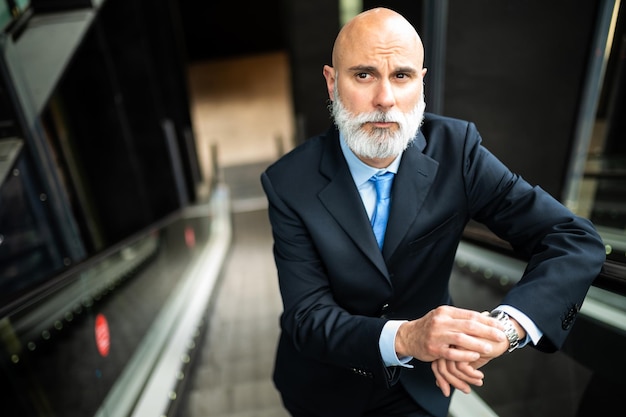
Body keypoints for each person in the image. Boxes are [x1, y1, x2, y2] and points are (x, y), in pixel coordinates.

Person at [260, 7, 605, 417]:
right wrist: (406, 337)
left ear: (421, 84)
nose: (385, 99)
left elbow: (573, 238)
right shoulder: (288, 182)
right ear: (333, 83)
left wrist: (503, 330)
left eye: (401, 76)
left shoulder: (457, 149)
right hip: (324, 386)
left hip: (420, 384)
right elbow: (307, 316)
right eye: (364, 75)